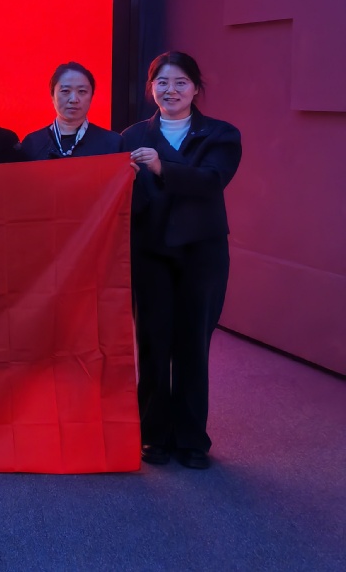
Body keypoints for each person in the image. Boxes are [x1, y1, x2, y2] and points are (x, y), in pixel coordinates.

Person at [123, 52, 241, 470]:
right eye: (162, 83)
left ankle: (192, 439)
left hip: (202, 255)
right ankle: (153, 435)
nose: (170, 90)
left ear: (195, 88)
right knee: (153, 344)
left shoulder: (221, 134)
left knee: (193, 345)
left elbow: (211, 180)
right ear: (151, 88)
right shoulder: (132, 135)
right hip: (150, 253)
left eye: (180, 83)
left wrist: (160, 166)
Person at [18, 62, 124, 159]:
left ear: (91, 96)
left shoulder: (112, 143)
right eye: (65, 91)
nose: (74, 99)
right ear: (52, 95)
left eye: (82, 91)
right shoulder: (32, 144)